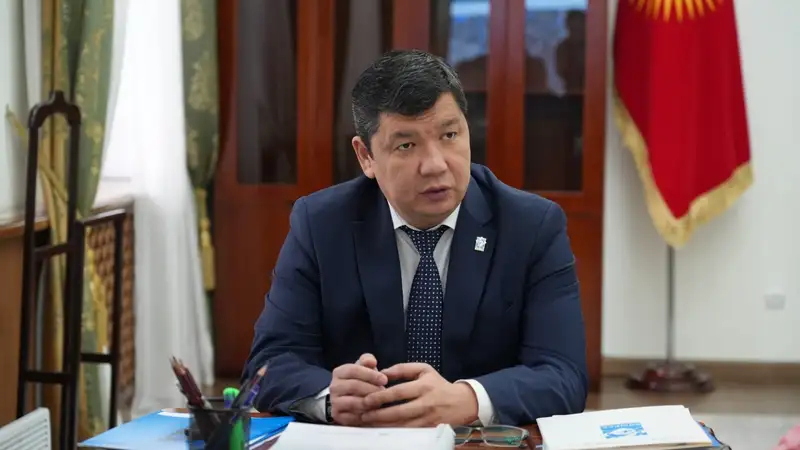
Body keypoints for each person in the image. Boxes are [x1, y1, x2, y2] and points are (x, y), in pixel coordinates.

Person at [242, 49, 588, 427]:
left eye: (449, 135)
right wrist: (329, 397)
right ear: (366, 156)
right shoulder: (321, 223)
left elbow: (563, 375)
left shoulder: (531, 226)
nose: (435, 165)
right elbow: (268, 364)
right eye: (406, 145)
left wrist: (467, 399)